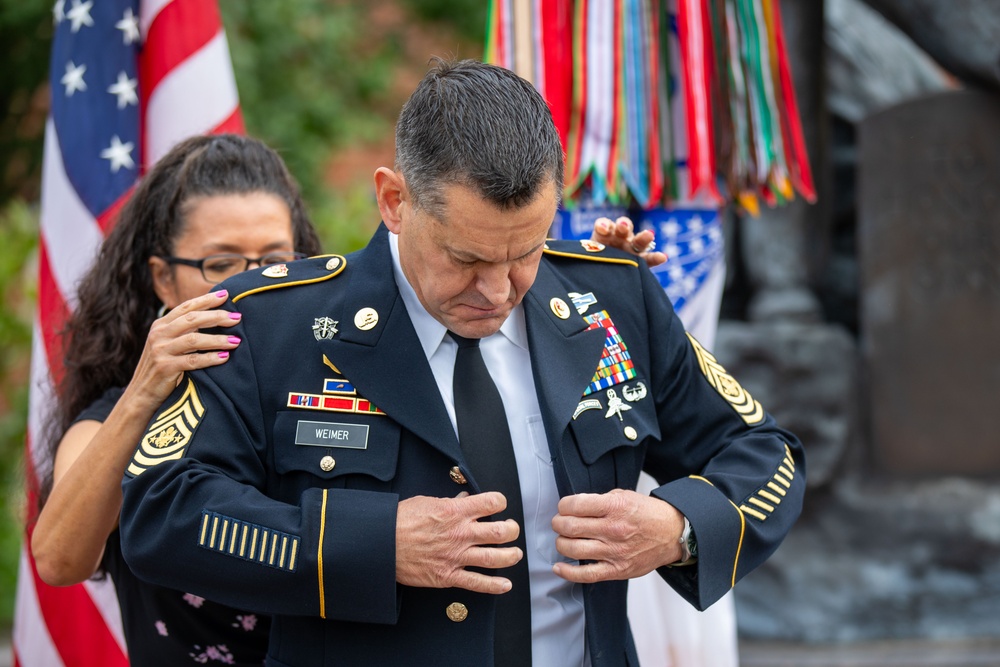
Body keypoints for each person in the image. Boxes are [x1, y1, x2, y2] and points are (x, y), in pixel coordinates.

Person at [119, 59, 805, 667]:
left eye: (526, 252)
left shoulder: (611, 300)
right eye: (466, 258)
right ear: (394, 201)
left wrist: (675, 528)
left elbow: (765, 453)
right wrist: (376, 543)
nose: (499, 290)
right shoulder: (271, 323)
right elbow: (162, 510)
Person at [31, 133, 322, 665]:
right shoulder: (116, 416)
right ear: (163, 279)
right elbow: (58, 559)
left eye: (275, 260)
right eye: (222, 264)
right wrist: (145, 390)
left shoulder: (333, 390)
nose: (252, 285)